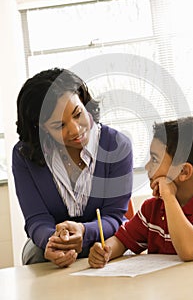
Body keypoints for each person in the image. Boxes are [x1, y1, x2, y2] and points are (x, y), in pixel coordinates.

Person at [12, 67, 133, 268]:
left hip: (103, 239)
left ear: (84, 102)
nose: (76, 130)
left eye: (78, 114)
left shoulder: (117, 145)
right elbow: (36, 219)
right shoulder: (24, 155)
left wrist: (84, 231)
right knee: (36, 255)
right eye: (59, 126)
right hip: (51, 245)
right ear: (41, 127)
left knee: (118, 248)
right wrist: (53, 240)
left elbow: (115, 216)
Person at [88, 116, 193, 268]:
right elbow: (122, 240)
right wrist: (106, 251)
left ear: (183, 171)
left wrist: (169, 197)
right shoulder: (152, 209)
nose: (147, 166)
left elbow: (189, 250)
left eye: (155, 159)